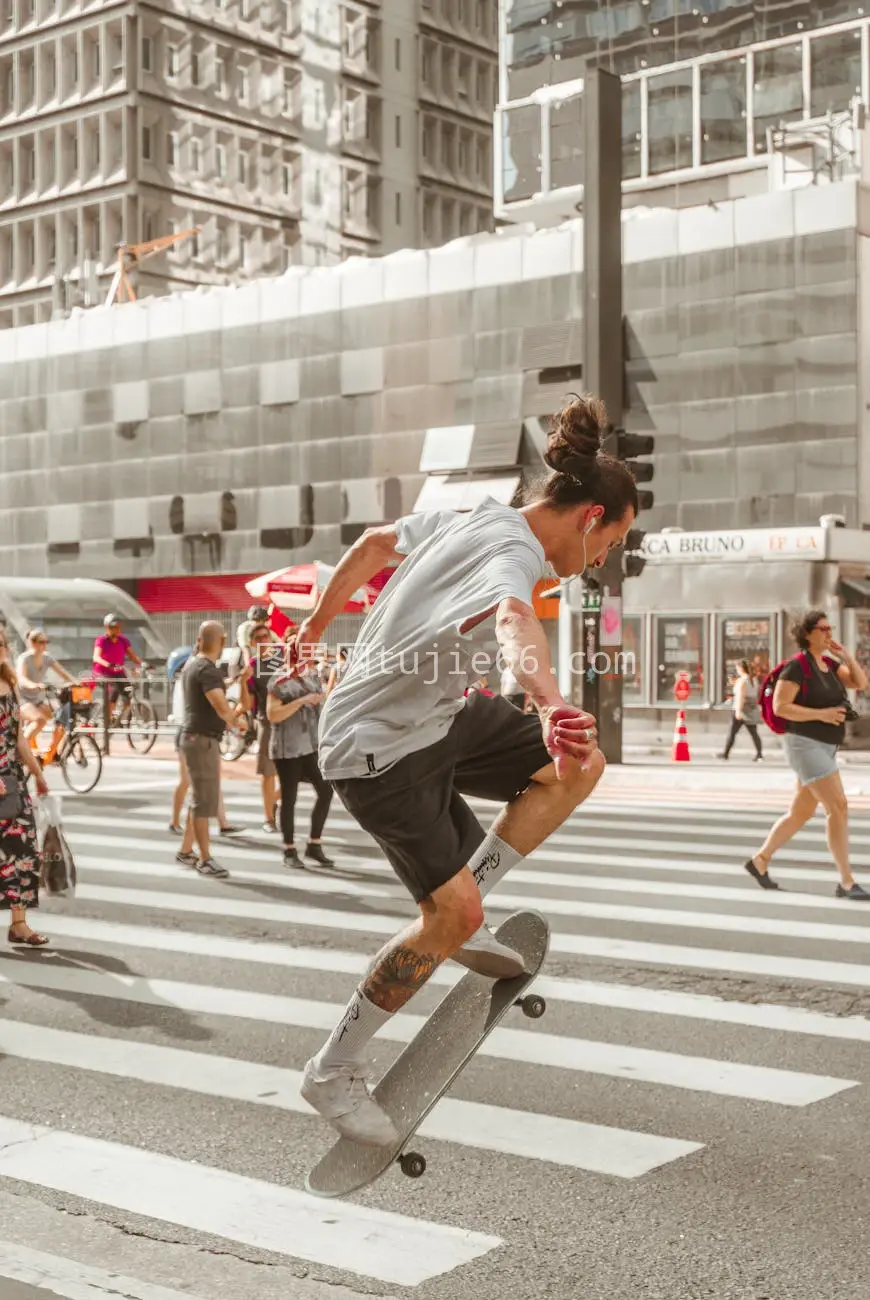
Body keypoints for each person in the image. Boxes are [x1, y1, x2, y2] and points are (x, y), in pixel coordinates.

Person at [295, 393, 637, 1145]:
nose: (605, 560)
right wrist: (546, 700)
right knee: (446, 919)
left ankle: (469, 901)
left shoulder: (476, 515)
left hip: (438, 719)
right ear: (590, 518)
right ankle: (331, 1071)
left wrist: (320, 621)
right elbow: (515, 621)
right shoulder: (513, 554)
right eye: (613, 542)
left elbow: (377, 543)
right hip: (376, 748)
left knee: (578, 764)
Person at [744, 610, 870, 900]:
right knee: (838, 807)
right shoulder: (797, 668)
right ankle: (847, 882)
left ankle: (760, 860)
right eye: (823, 629)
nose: (828, 633)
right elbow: (780, 707)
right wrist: (822, 714)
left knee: (800, 812)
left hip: (826, 745)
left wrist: (847, 656)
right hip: (804, 743)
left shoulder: (827, 663)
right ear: (807, 634)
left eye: (830, 628)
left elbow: (860, 683)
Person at [176, 622, 246, 878]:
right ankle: (204, 858)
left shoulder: (194, 664)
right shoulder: (207, 668)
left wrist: (236, 681)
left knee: (200, 797)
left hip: (195, 737)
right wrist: (237, 721)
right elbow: (218, 703)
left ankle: (186, 850)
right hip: (201, 739)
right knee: (203, 801)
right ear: (222, 640)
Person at [0, 629, 51, 946]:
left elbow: (18, 738)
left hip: (13, 780)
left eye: (2, 642)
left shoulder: (10, 685)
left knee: (24, 852)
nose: (0, 647)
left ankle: (19, 924)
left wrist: (39, 773)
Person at [266, 633, 334, 869]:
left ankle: (314, 844)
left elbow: (321, 703)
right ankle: (289, 849)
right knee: (289, 798)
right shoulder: (279, 681)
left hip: (310, 747)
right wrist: (301, 702)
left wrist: (320, 698)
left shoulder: (312, 676)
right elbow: (273, 715)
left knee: (326, 790)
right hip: (287, 749)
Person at [167, 647, 241, 838]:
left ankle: (222, 822)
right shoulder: (192, 673)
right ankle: (175, 822)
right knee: (186, 782)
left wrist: (233, 681)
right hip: (189, 732)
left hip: (198, 733)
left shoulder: (197, 674)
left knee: (211, 782)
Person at [240, 624, 284, 832]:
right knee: (268, 773)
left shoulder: (284, 657)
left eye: (266, 636)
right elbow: (247, 704)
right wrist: (242, 681)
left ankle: (274, 801)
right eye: (258, 638)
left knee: (297, 771)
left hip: (290, 720)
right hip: (266, 723)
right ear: (252, 643)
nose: (263, 640)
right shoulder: (252, 666)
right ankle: (268, 818)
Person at [16, 628, 76, 747]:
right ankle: (20, 748)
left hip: (37, 698)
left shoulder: (47, 657)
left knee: (56, 716)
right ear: (33, 643)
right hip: (22, 699)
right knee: (40, 721)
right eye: (41, 642)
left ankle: (48, 752)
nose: (45, 645)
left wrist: (75, 681)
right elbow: (21, 679)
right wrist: (34, 685)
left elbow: (62, 672)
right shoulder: (24, 658)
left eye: (46, 642)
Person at [92, 614, 141, 719]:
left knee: (129, 692)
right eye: (113, 627)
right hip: (102, 672)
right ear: (107, 627)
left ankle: (118, 718)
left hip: (117, 671)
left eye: (118, 626)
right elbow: (96, 657)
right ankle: (108, 721)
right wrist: (108, 664)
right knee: (114, 689)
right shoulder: (102, 640)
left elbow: (133, 656)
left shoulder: (123, 640)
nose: (116, 629)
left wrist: (141, 664)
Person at [719, 660, 763, 761]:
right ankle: (759, 754)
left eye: (737, 668)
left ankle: (725, 754)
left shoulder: (742, 681)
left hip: (741, 710)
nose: (737, 670)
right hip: (751, 710)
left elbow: (741, 697)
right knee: (754, 733)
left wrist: (738, 711)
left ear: (741, 669)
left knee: (732, 732)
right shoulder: (753, 680)